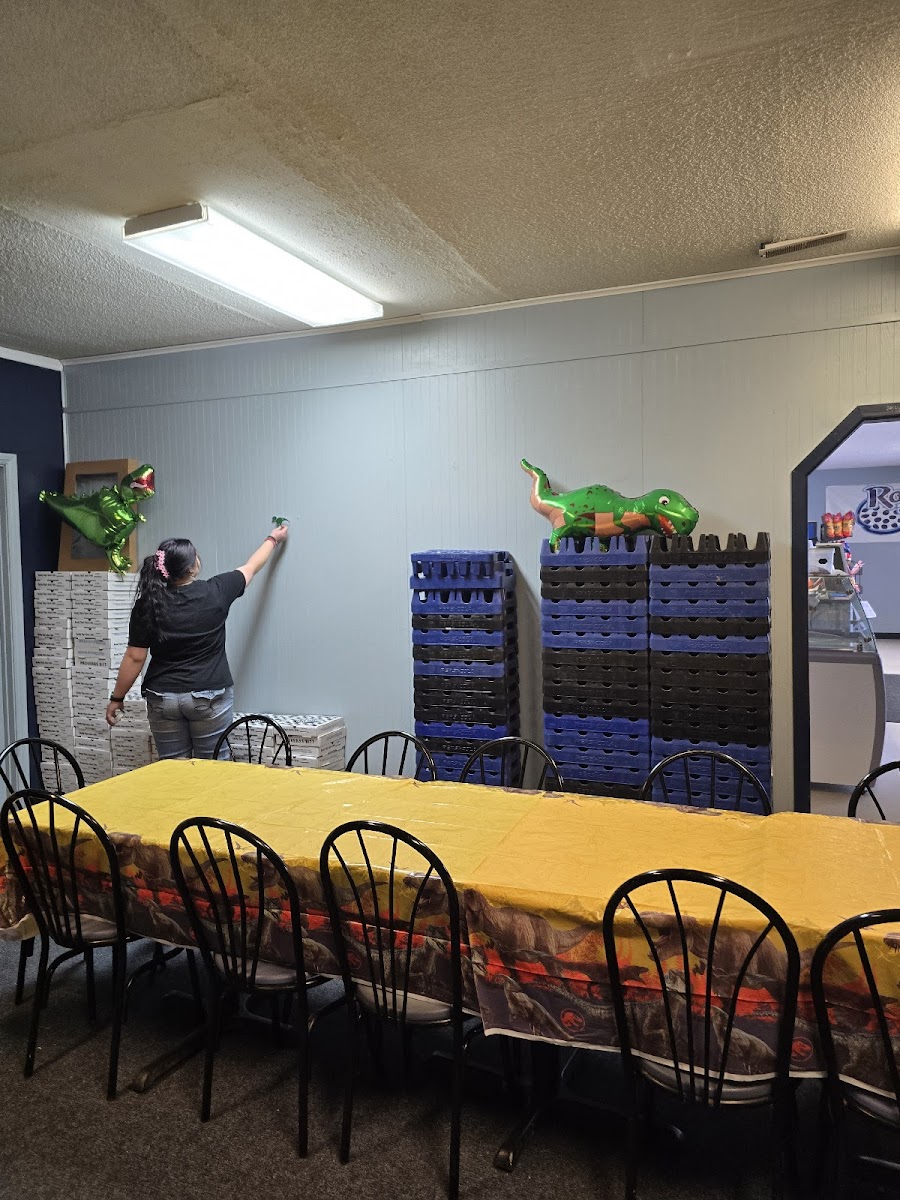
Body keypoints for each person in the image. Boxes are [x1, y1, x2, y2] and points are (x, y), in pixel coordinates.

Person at [105, 524, 288, 759]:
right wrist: (273, 538)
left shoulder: (148, 603)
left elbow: (135, 657)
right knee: (212, 767)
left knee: (173, 769)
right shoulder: (217, 591)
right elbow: (251, 567)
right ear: (192, 567)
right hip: (208, 696)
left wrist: (117, 698)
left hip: (163, 698)